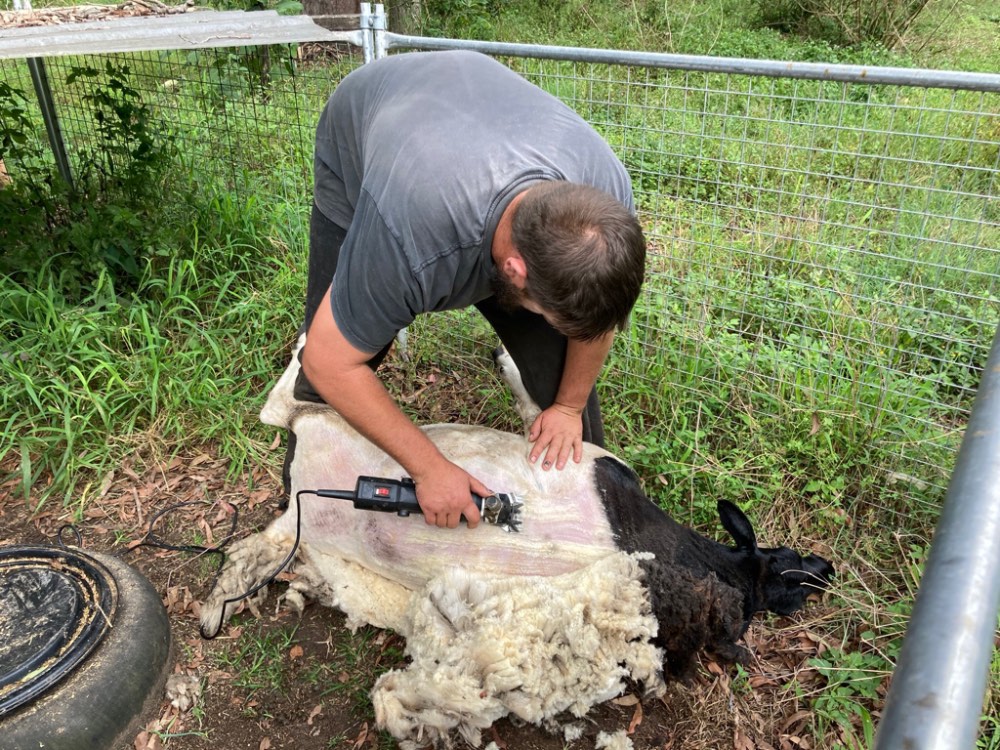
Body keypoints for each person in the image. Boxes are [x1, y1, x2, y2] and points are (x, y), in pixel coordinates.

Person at [292, 50, 646, 530]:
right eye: (551, 314)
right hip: (366, 125)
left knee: (567, 404)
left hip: (471, 116)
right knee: (333, 371)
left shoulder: (604, 205)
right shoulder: (409, 236)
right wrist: (429, 468)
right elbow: (329, 363)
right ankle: (305, 506)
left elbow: (594, 320)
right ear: (516, 271)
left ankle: (585, 526)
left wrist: (568, 407)